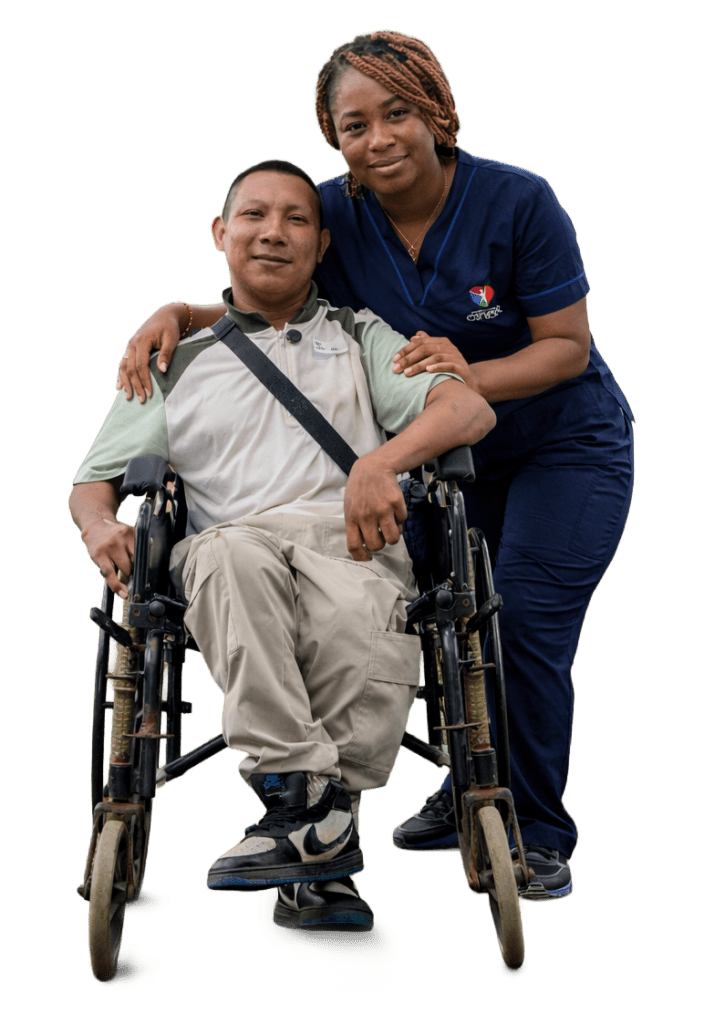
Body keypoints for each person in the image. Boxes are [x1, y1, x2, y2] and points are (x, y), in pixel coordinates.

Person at [116, 31, 635, 902]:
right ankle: (446, 788)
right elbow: (274, 290)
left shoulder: (517, 200)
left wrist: (460, 378)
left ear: (436, 110)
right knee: (416, 608)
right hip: (439, 460)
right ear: (335, 138)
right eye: (354, 126)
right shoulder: (333, 215)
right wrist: (182, 312)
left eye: (398, 113)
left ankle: (536, 829)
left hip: (561, 445)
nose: (380, 139)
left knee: (519, 625)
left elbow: (566, 348)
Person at [69, 159, 495, 930]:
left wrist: (381, 464)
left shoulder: (361, 336)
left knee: (356, 620)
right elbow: (93, 481)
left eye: (297, 219)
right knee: (231, 557)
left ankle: (314, 830)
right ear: (220, 232)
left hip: (351, 542)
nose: (274, 232)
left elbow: (467, 412)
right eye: (255, 215)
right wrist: (101, 525)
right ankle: (309, 808)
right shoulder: (172, 358)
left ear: (321, 243)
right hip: (229, 542)